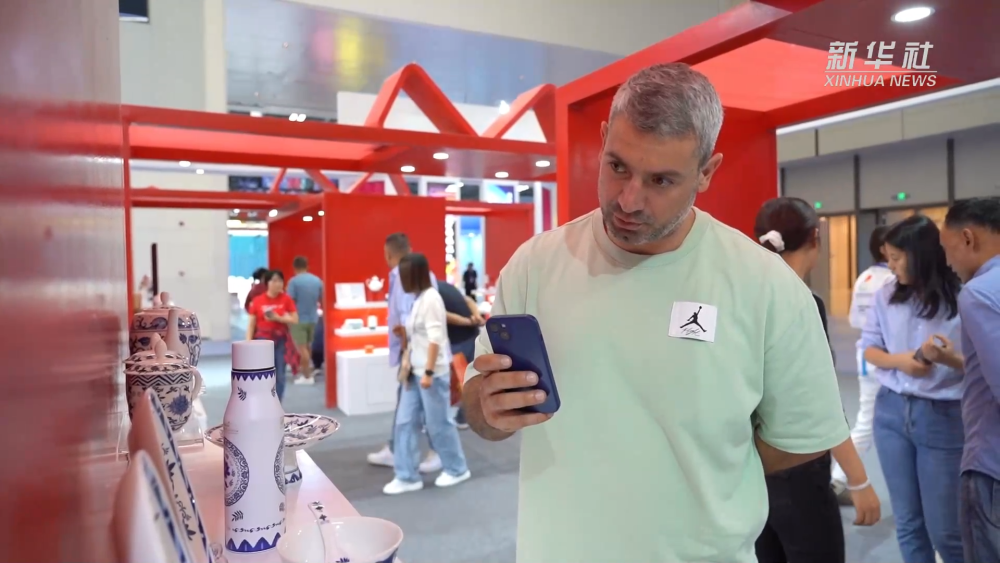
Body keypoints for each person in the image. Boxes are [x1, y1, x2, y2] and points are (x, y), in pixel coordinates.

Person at [461, 63, 850, 563]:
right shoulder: (535, 265)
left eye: (660, 180)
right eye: (618, 167)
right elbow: (481, 408)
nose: (629, 200)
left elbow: (800, 440)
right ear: (604, 138)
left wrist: (704, 471)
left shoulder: (766, 285)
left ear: (707, 171)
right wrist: (488, 407)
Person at [753, 197, 880, 563]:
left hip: (749, 470)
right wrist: (858, 479)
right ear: (814, 238)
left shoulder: (742, 298)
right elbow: (819, 398)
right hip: (798, 467)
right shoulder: (803, 303)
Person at [862, 215, 965, 563]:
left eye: (896, 258)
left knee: (946, 531)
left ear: (920, 255)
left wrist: (947, 359)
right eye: (887, 258)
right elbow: (869, 348)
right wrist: (902, 361)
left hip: (943, 418)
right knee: (908, 524)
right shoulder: (885, 295)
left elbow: (983, 364)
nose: (890, 267)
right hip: (891, 413)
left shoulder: (962, 298)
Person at [939, 197, 1000, 562]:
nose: (948, 262)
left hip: (992, 467)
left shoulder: (979, 293)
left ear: (967, 238)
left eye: (947, 250)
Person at [383, 253, 471, 494]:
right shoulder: (419, 299)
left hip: (431, 374)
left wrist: (429, 372)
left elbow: (435, 339)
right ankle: (406, 475)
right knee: (405, 422)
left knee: (438, 423)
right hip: (414, 371)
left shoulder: (431, 299)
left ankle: (457, 469)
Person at [367, 233, 441, 473]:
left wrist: (407, 344)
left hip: (415, 352)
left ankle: (437, 452)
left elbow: (415, 317)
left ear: (387, 254)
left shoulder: (405, 277)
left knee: (423, 406)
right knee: (410, 405)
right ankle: (398, 450)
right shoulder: (412, 275)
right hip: (412, 351)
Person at [831, 226, 894, 501]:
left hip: (868, 356)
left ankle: (838, 478)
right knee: (867, 423)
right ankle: (838, 479)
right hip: (882, 358)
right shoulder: (892, 279)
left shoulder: (864, 277)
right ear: (883, 248)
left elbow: (855, 319)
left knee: (868, 421)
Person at [438, 280, 484, 430]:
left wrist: (469, 321)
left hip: (459, 341)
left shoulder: (429, 292)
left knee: (461, 381)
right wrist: (475, 317)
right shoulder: (445, 286)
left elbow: (442, 314)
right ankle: (467, 415)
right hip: (471, 336)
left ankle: (462, 416)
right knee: (471, 378)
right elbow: (468, 300)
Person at [246, 270, 299, 401]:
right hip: (262, 341)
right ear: (267, 283)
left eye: (280, 281)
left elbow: (295, 319)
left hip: (281, 340)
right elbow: (251, 325)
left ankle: (277, 403)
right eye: (274, 281)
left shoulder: (286, 299)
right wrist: (248, 343)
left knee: (280, 373)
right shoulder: (258, 301)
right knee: (264, 373)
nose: (278, 284)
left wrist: (278, 318)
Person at [286, 256, 323, 385]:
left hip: (298, 319)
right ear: (307, 266)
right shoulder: (317, 281)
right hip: (313, 318)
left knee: (302, 349)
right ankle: (307, 372)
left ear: (294, 267)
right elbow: (322, 299)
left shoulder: (293, 282)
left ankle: (307, 376)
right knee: (308, 347)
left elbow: (289, 301)